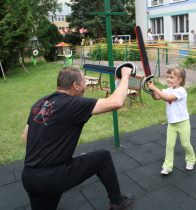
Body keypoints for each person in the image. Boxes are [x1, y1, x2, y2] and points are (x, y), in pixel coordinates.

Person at [21, 66, 135, 209]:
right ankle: (117, 202)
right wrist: (125, 75)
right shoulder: (73, 104)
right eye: (84, 82)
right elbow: (116, 102)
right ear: (75, 86)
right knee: (103, 158)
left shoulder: (39, 103)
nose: (85, 85)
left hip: (29, 176)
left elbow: (25, 137)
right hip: (53, 176)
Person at [146, 67, 196, 175]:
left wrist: (154, 87)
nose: (168, 79)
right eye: (167, 77)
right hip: (172, 124)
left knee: (185, 144)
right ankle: (167, 166)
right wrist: (151, 89)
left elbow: (167, 98)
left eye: (171, 77)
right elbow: (156, 97)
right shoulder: (169, 90)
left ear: (179, 80)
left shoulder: (181, 91)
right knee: (169, 145)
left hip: (183, 123)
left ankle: (191, 159)